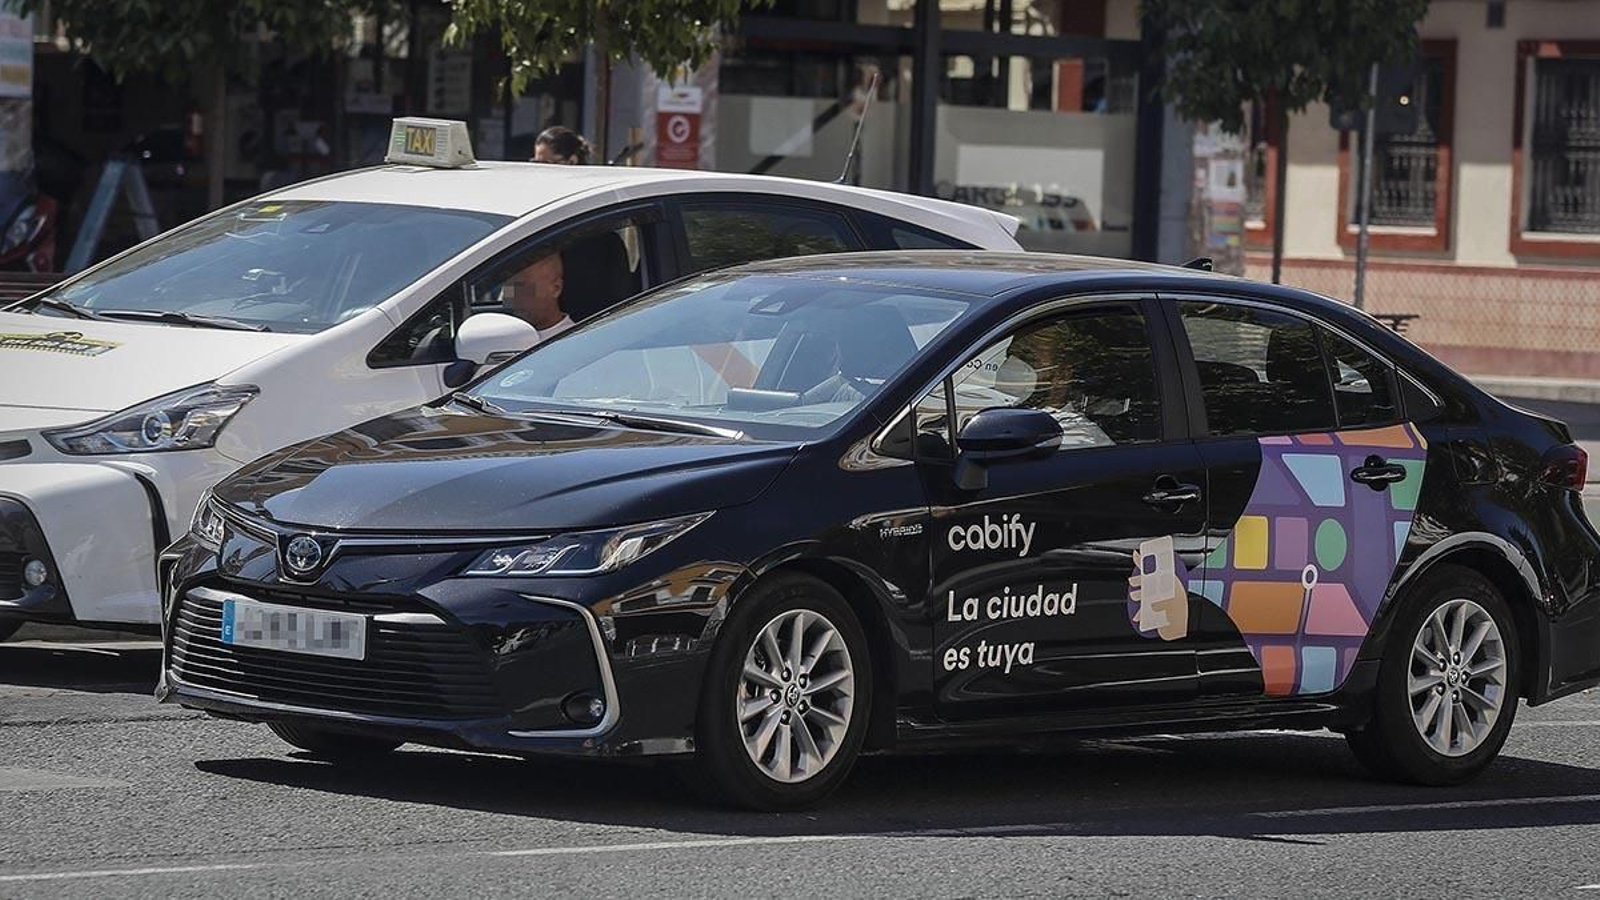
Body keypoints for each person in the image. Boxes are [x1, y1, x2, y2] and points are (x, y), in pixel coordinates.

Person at [502, 250, 574, 340]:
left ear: (556, 289)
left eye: (522, 288)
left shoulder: (572, 343)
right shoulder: (504, 335)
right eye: (507, 288)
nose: (510, 297)